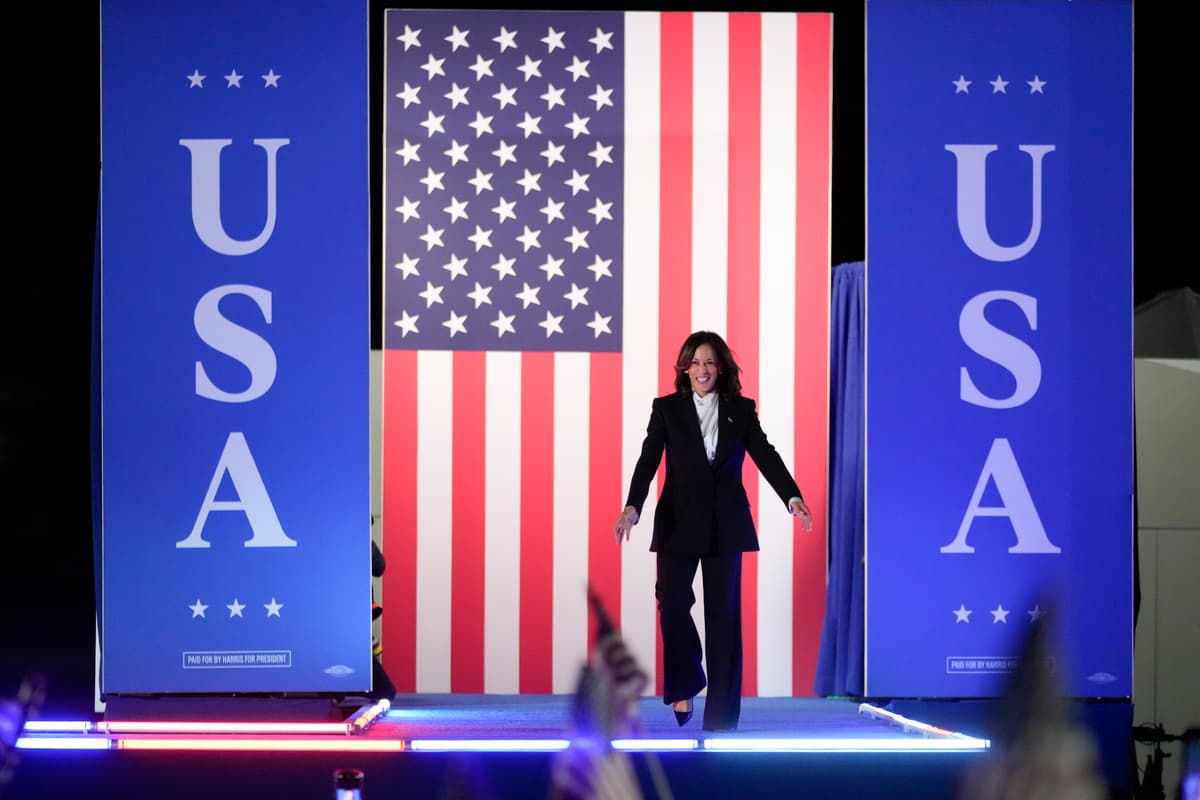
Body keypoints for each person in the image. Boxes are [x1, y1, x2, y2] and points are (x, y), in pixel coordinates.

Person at [613, 330, 812, 732]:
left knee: (723, 620)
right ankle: (685, 682)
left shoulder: (741, 409)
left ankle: (721, 718)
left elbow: (766, 455)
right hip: (677, 523)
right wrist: (633, 507)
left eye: (709, 363)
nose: (702, 370)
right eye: (695, 363)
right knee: (672, 605)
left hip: (726, 524)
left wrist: (792, 497)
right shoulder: (667, 409)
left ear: (721, 368)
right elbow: (647, 460)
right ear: (684, 368)